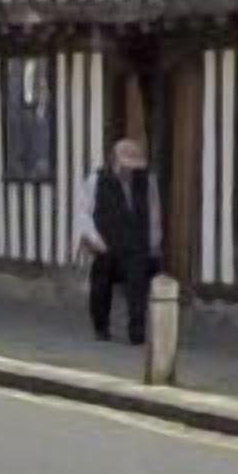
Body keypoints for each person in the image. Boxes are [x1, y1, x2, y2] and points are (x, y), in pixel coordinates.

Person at [77, 137, 162, 344]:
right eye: (126, 166)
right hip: (106, 243)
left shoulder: (147, 180)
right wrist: (94, 239)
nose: (130, 171)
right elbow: (83, 212)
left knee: (137, 288)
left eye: (134, 166)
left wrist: (154, 244)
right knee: (100, 287)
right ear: (115, 161)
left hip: (136, 243)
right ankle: (101, 327)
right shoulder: (96, 180)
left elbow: (154, 212)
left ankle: (137, 333)